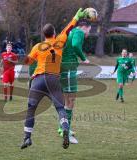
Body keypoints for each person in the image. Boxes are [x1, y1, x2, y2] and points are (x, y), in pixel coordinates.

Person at [20, 8, 88, 149]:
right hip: (53, 80)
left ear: (43, 34)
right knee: (60, 108)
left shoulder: (38, 46)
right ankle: (64, 128)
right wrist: (76, 16)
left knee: (31, 109)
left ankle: (27, 138)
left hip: (38, 80)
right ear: (54, 33)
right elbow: (68, 28)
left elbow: (27, 62)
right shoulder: (59, 42)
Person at [58, 20, 91, 144]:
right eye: (89, 30)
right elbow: (76, 45)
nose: (88, 33)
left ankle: (63, 127)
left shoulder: (71, 30)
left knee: (66, 101)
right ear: (85, 27)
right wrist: (84, 58)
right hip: (68, 69)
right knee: (70, 102)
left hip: (65, 67)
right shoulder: (79, 32)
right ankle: (65, 132)